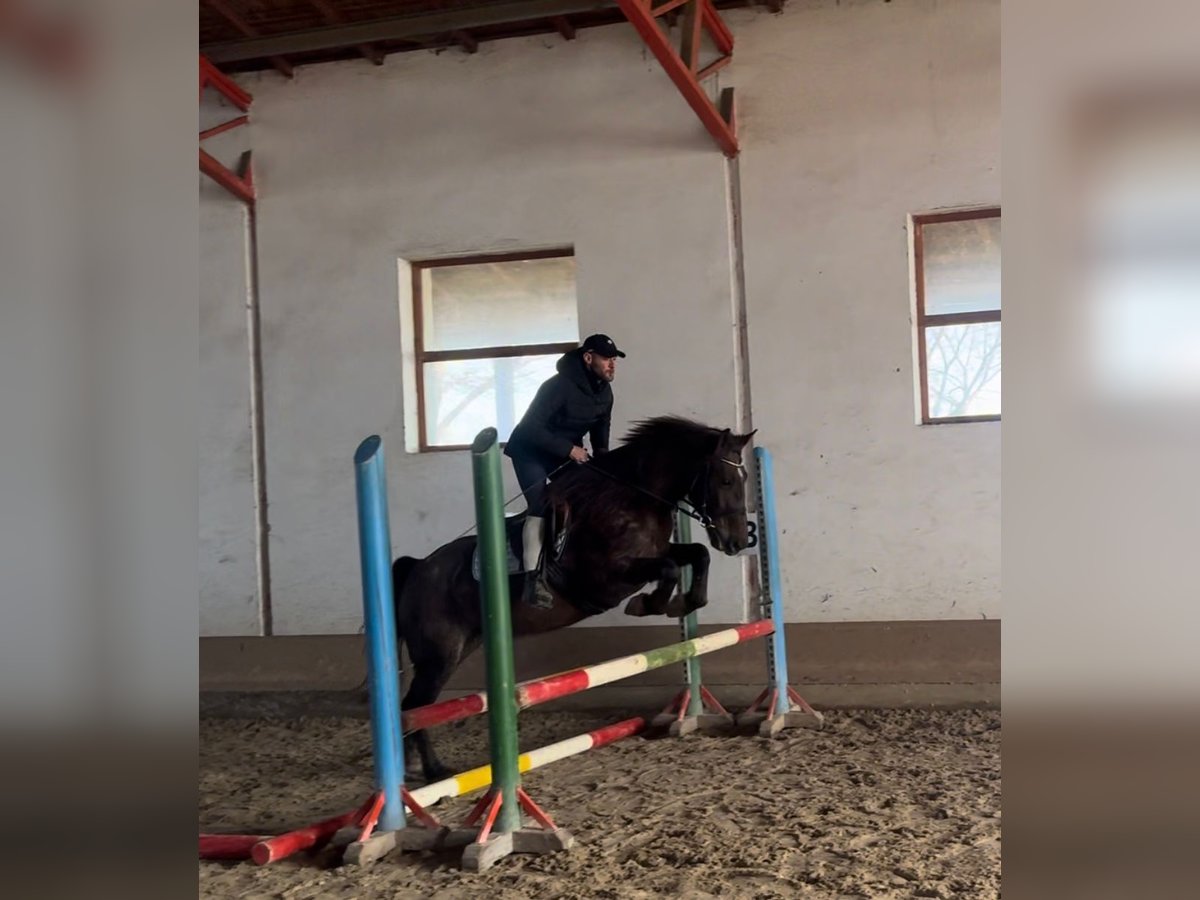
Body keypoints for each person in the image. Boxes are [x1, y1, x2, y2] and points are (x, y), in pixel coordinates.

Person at [504, 333, 625, 606]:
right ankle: (533, 581)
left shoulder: (605, 393)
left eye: (614, 360)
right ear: (588, 358)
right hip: (530, 452)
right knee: (540, 505)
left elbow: (600, 436)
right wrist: (570, 450)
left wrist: (605, 468)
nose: (612, 365)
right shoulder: (557, 386)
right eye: (607, 359)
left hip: (562, 453)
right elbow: (530, 428)